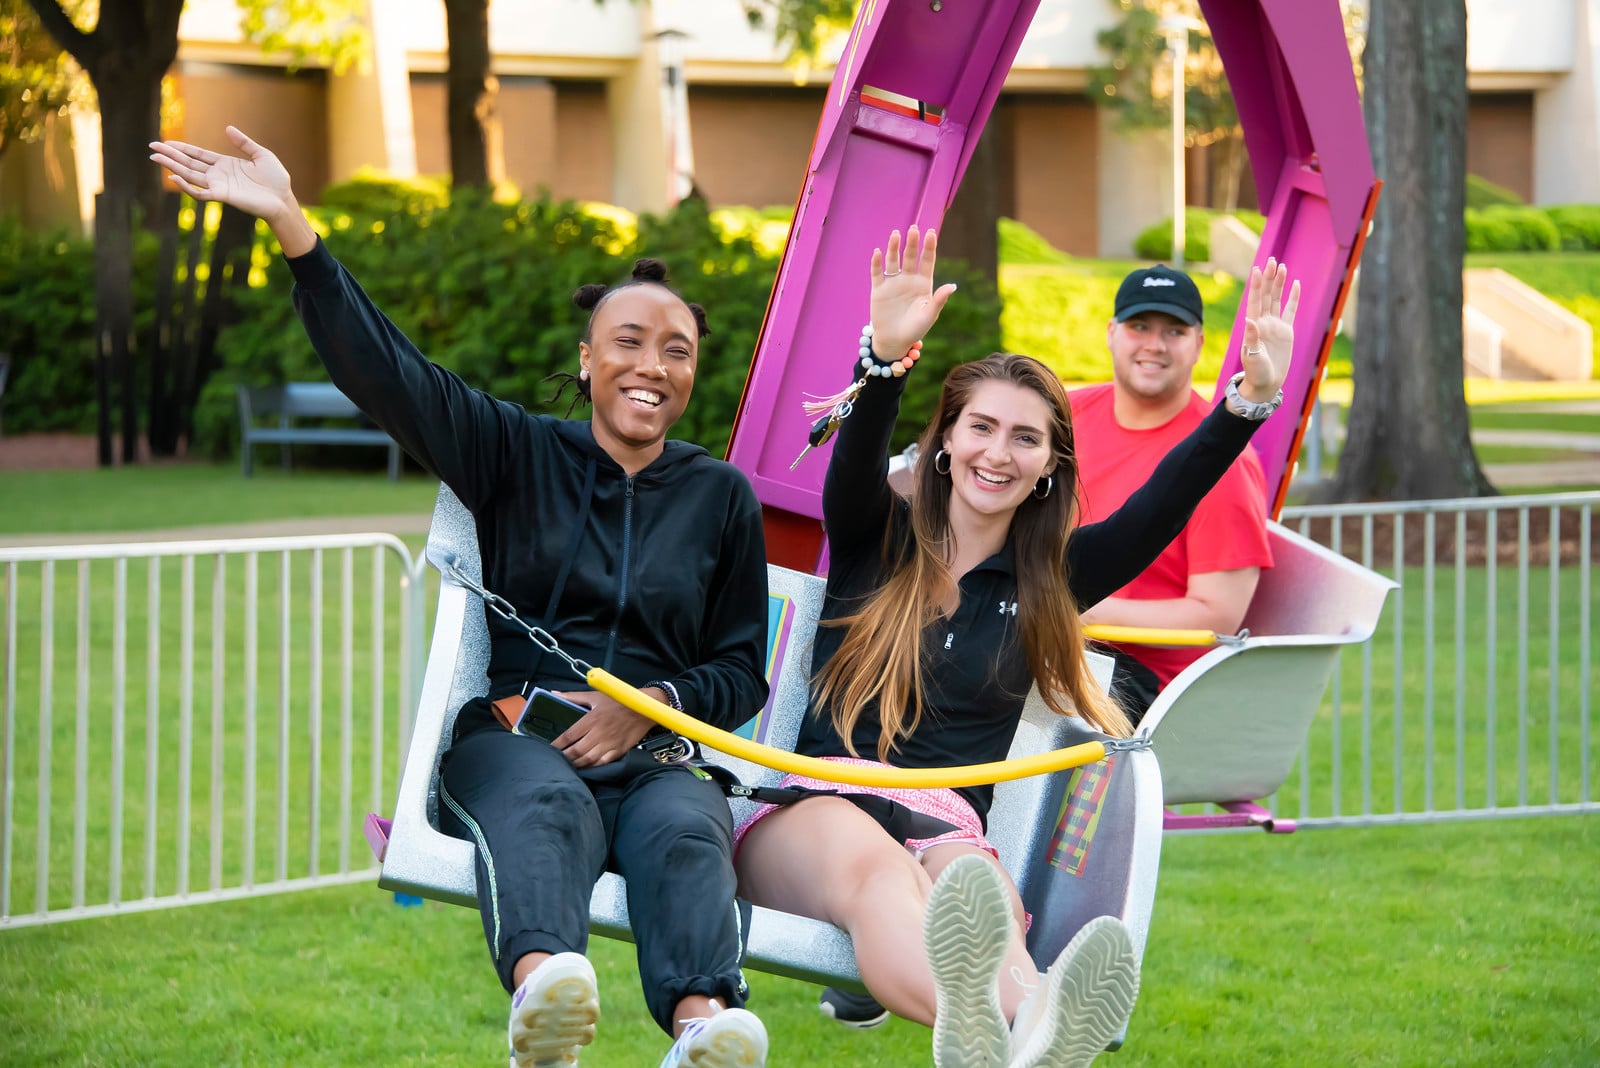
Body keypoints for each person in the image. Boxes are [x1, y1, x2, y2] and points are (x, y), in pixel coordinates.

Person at [151, 126, 772, 1068]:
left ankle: (700, 1034)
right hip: (520, 740)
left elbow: (739, 671)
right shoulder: (514, 449)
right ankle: (546, 1003)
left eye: (676, 350)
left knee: (689, 826)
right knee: (544, 810)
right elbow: (386, 372)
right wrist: (294, 230)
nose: (653, 364)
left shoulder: (720, 496)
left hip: (653, 760)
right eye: (630, 342)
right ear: (586, 357)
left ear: (693, 372)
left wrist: (648, 712)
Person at [735, 226, 1298, 1068]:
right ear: (946, 442)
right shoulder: (873, 536)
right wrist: (883, 361)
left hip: (948, 824)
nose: (998, 453)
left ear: (1048, 467)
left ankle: (1020, 1034)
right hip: (818, 804)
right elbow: (852, 462)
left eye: (1025, 439)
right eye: (981, 429)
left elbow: (1165, 500)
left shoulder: (1052, 580)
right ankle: (1030, 1027)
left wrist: (1247, 398)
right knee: (883, 877)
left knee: (986, 908)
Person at [1070, 264, 1274, 723]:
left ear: (1199, 343)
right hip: (1053, 644)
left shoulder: (1222, 462)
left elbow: (1217, 616)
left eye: (1174, 331)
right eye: (1140, 326)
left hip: (1143, 685)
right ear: (1111, 333)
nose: (1155, 345)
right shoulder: (1067, 416)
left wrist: (1075, 611)